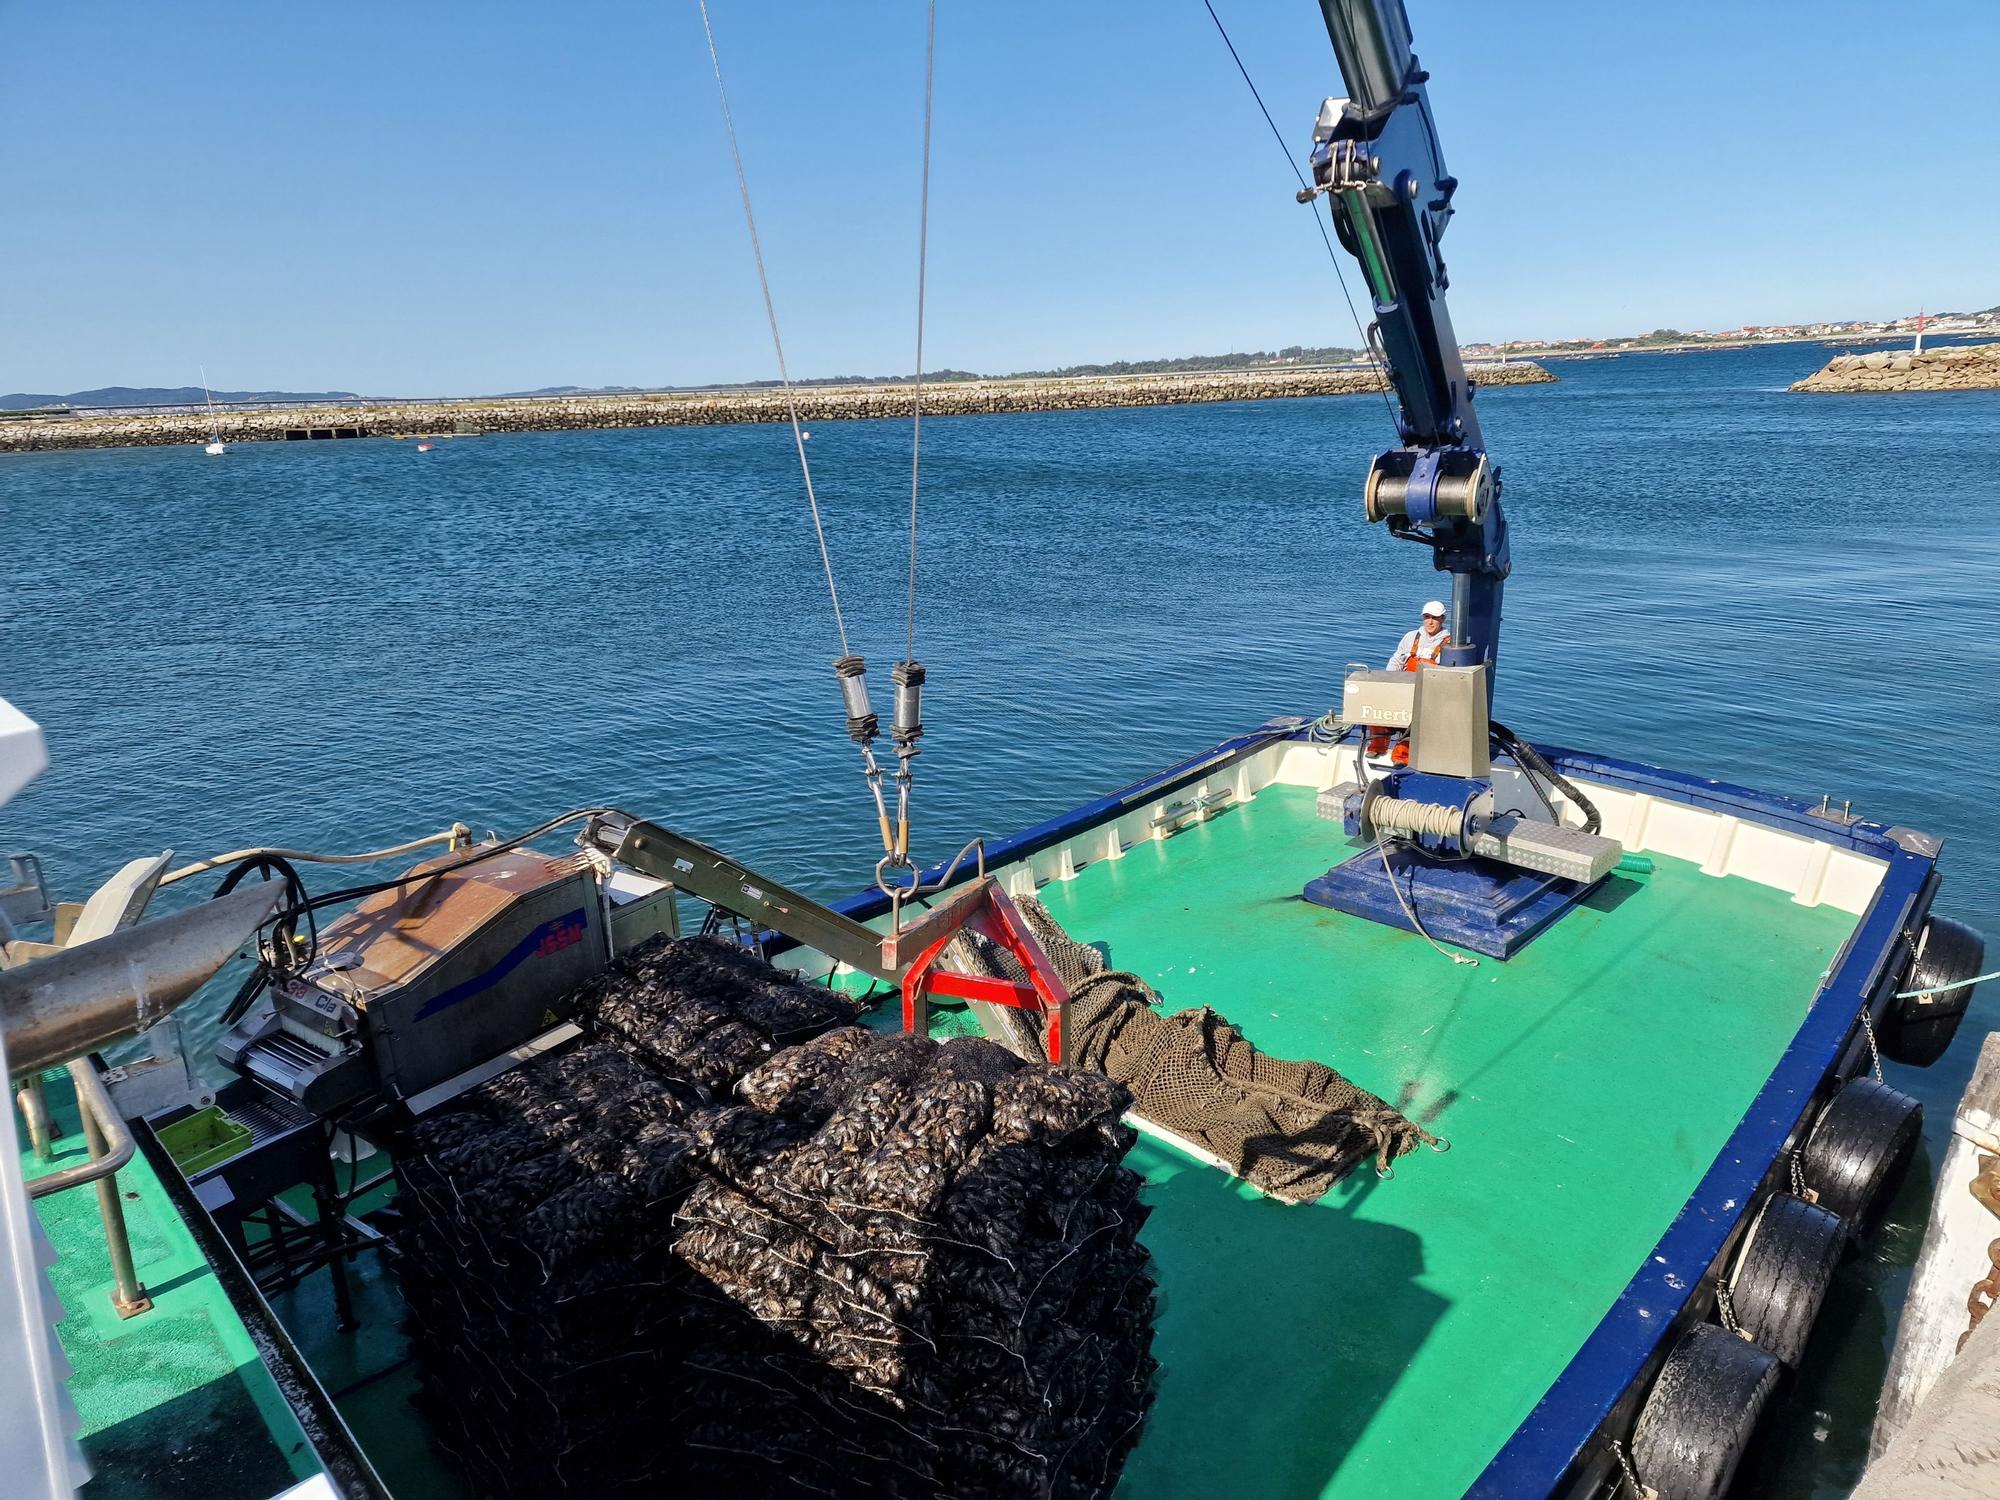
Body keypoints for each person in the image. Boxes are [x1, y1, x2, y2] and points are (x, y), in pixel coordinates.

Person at [1367, 601, 1450, 764]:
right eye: (1427, 617)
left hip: (1429, 692)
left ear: (1443, 619)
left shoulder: (1449, 642)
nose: (1430, 621)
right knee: (1377, 706)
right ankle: (1377, 746)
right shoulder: (1411, 637)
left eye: (1434, 617)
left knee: (1415, 717)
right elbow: (1397, 660)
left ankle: (1402, 755)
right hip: (1404, 686)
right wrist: (1388, 680)